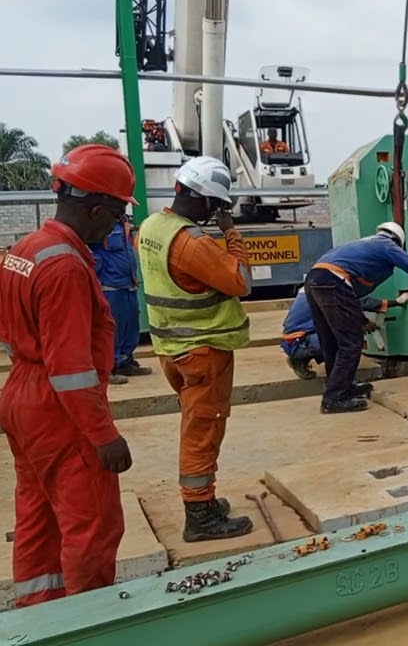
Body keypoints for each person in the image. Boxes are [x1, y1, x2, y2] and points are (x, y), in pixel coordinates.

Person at [0, 144, 135, 606]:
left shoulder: (26, 248)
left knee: (39, 513)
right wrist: (102, 435)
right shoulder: (66, 267)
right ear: (96, 210)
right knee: (90, 521)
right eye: (116, 215)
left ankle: (41, 615)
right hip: (60, 410)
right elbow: (71, 369)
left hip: (22, 393)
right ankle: (88, 619)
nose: (117, 225)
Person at [136, 155, 254, 542]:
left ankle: (203, 502)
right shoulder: (192, 242)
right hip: (203, 349)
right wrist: (231, 234)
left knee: (195, 423)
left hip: (171, 347)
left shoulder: (152, 226)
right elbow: (240, 282)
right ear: (208, 202)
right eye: (218, 205)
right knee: (203, 429)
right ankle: (200, 513)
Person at [304, 221, 408, 414]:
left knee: (332, 341)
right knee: (350, 343)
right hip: (334, 281)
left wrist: (360, 319)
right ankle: (333, 398)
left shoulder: (361, 245)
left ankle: (342, 387)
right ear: (398, 241)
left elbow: (349, 297)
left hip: (315, 280)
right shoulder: (386, 245)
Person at [280, 288, 408, 380]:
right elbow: (357, 303)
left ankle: (304, 359)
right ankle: (338, 380)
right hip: (299, 342)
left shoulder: (315, 285)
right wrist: (396, 302)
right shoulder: (328, 286)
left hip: (299, 338)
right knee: (346, 339)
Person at [89, 217, 150, 384]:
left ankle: (125, 362)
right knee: (111, 330)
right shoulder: (99, 226)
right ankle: (108, 367)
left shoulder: (122, 226)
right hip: (110, 287)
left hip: (128, 285)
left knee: (131, 326)